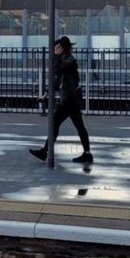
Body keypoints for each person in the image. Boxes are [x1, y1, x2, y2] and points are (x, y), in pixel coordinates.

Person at [30, 35, 94, 163]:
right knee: (59, 123)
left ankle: (86, 154)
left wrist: (56, 56)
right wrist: (47, 93)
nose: (53, 50)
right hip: (67, 99)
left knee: (76, 125)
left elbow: (57, 69)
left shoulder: (70, 60)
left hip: (72, 99)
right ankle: (46, 152)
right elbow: (57, 80)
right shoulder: (63, 60)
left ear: (61, 49)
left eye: (56, 48)